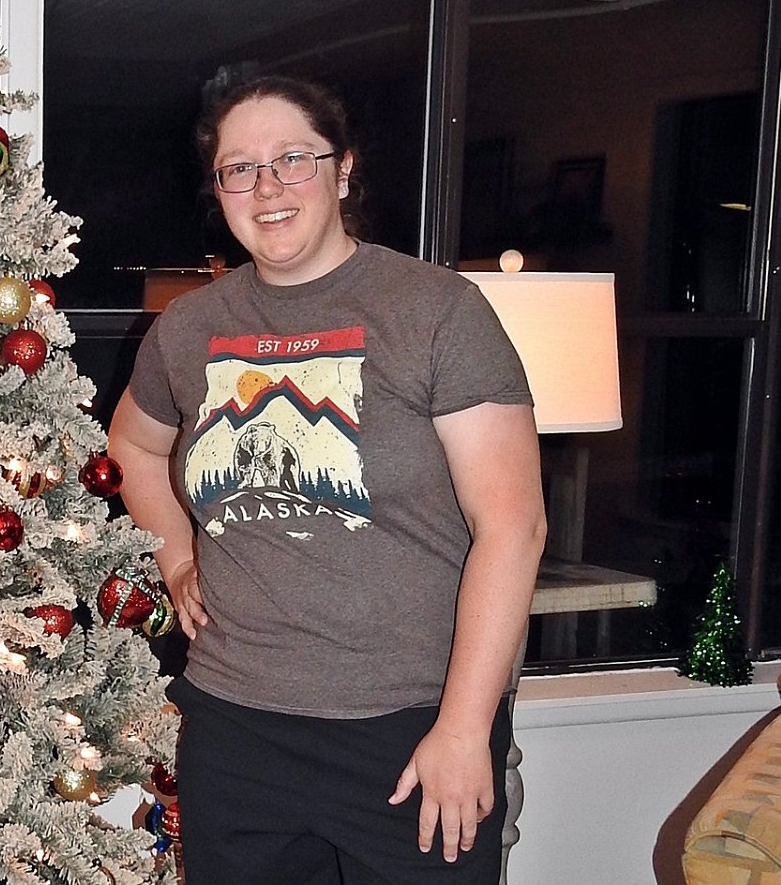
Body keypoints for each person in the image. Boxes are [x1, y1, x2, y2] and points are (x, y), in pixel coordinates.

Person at [109, 75, 547, 884]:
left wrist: (463, 729)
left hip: (409, 729)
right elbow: (132, 447)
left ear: (343, 170)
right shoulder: (190, 327)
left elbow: (513, 527)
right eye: (240, 169)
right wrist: (175, 559)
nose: (267, 187)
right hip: (237, 728)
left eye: (292, 159)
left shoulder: (437, 311)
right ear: (219, 190)